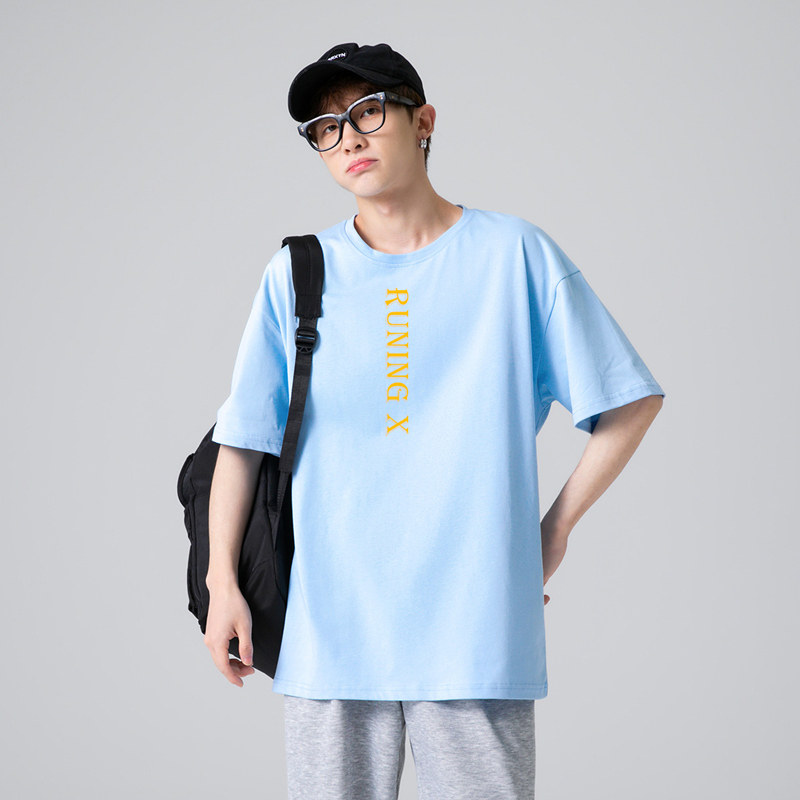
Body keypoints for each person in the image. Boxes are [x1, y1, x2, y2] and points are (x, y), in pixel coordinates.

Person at [203, 41, 665, 800]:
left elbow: (629, 399)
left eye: (367, 112)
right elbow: (243, 442)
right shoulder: (298, 272)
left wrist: (552, 532)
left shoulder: (514, 255)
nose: (347, 138)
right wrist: (223, 582)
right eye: (325, 127)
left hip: (474, 626)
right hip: (331, 626)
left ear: (423, 122)